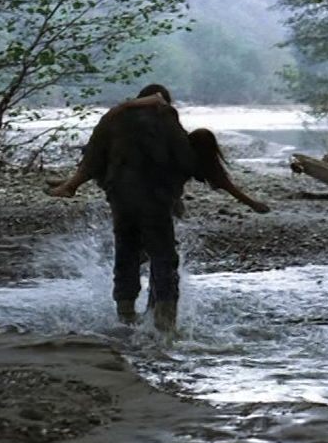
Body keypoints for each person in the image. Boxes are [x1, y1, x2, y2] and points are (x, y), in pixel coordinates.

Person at [47, 84, 269, 331]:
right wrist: (249, 201)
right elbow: (194, 165)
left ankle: (125, 318)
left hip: (121, 196)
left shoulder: (116, 119)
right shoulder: (166, 118)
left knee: (126, 251)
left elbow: (96, 159)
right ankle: (165, 325)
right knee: (163, 257)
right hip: (156, 201)